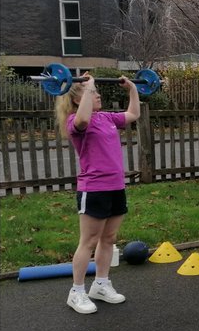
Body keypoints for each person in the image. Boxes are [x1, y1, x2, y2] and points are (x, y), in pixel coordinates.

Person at [55, 74, 141, 314]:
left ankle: (101, 285)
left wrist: (132, 89)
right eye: (92, 93)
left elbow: (133, 114)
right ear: (76, 100)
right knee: (89, 242)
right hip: (93, 189)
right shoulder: (75, 121)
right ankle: (77, 291)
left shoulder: (106, 118)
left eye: (96, 92)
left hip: (116, 186)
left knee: (109, 238)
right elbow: (83, 118)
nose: (98, 95)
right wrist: (88, 85)